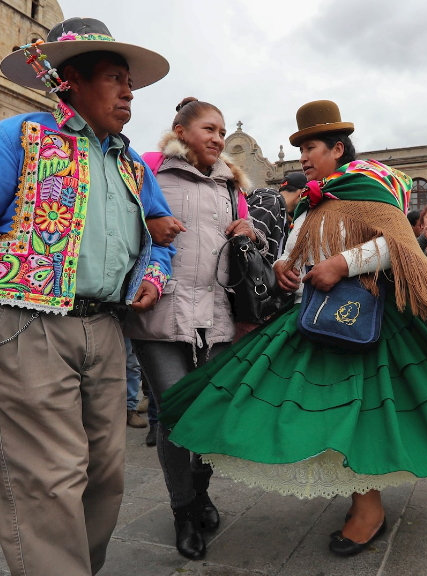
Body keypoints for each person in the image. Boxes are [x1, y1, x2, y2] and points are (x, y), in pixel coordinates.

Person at [159, 100, 427, 558]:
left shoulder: (365, 187)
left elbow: (399, 245)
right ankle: (356, 494)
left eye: (312, 147)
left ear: (338, 148)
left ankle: (369, 508)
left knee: (362, 416)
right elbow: (296, 247)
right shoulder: (313, 197)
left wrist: (344, 262)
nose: (303, 155)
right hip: (310, 318)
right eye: (300, 146)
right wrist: (284, 265)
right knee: (332, 413)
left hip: (363, 320)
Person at [0, 18, 175, 575]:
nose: (129, 92)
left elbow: (163, 234)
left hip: (106, 329)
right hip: (24, 326)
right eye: (116, 78)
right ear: (70, 82)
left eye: (129, 81)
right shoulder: (15, 137)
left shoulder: (133, 164)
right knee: (46, 474)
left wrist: (153, 277)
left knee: (106, 471)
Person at [125, 96, 258, 560]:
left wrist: (249, 232)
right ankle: (183, 511)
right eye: (209, 129)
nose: (219, 139)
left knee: (208, 416)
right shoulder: (147, 171)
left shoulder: (231, 186)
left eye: (222, 132)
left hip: (217, 317)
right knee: (176, 415)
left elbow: (241, 250)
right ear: (181, 131)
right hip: (158, 313)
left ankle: (201, 494)